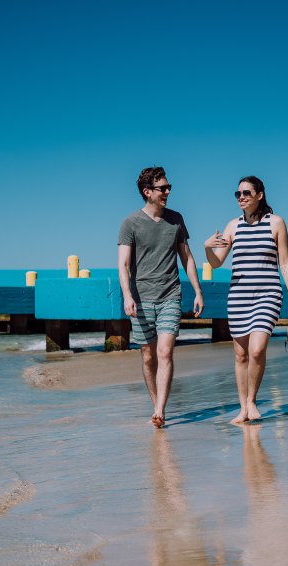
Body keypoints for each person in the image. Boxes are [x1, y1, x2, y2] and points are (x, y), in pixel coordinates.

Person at [204, 176, 288, 424]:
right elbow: (217, 263)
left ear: (260, 195)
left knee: (257, 350)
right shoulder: (233, 226)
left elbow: (285, 262)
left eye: (246, 193)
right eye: (237, 194)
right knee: (240, 355)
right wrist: (207, 247)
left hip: (268, 294)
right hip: (238, 296)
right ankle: (243, 408)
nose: (241, 197)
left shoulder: (276, 223)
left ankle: (252, 401)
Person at [118, 166, 205, 429]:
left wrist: (198, 291)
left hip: (170, 294)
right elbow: (123, 265)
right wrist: (127, 296)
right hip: (141, 298)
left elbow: (187, 258)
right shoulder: (130, 223)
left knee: (165, 352)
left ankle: (160, 410)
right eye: (162, 188)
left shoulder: (176, 219)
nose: (167, 192)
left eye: (169, 188)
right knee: (148, 355)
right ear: (148, 192)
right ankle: (156, 403)